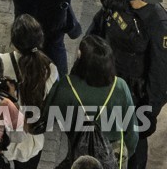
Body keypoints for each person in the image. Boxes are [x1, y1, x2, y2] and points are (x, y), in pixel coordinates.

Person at [89, 0, 167, 169]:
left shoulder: (158, 25)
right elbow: (97, 28)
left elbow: (160, 77)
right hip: (105, 85)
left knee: (133, 152)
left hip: (133, 101)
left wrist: (149, 113)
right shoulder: (118, 2)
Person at [45, 36, 139, 165]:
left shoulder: (67, 86)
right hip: (113, 156)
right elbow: (132, 134)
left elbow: (46, 118)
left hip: (80, 154)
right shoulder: (120, 86)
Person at [0, 14, 59, 169]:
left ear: (13, 41)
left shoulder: (0, 63)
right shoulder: (50, 69)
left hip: (3, 141)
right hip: (32, 143)